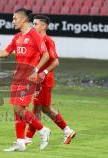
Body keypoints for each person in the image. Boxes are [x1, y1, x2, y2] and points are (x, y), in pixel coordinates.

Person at [0, 8, 51, 151]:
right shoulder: (17, 37)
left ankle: (43, 130)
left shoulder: (34, 35)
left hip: (28, 78)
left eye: (15, 19)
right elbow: (5, 53)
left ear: (24, 19)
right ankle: (20, 142)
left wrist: (35, 70)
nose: (13, 21)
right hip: (17, 77)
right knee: (16, 110)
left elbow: (45, 55)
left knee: (19, 108)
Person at [25, 15, 76, 145]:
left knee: (36, 109)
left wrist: (45, 72)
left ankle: (28, 138)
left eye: (36, 24)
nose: (33, 26)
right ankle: (67, 131)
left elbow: (56, 61)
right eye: (33, 24)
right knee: (45, 109)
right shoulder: (36, 41)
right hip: (39, 80)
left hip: (44, 81)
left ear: (44, 26)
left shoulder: (47, 41)